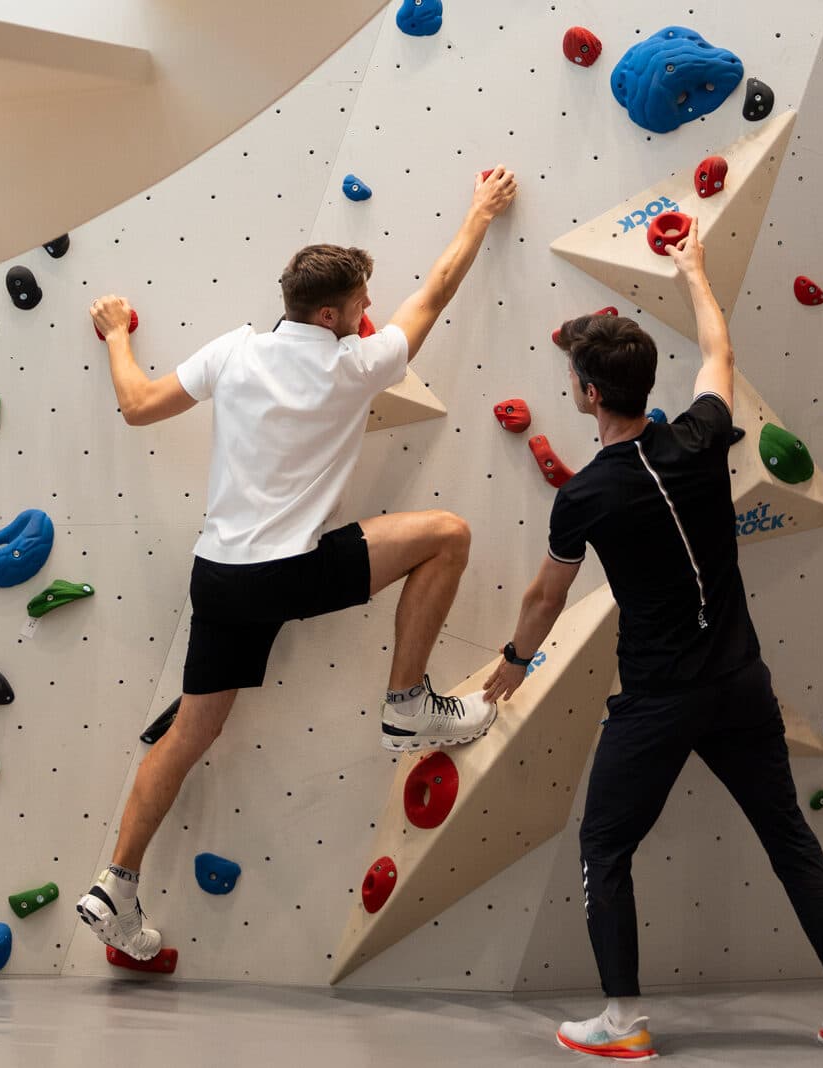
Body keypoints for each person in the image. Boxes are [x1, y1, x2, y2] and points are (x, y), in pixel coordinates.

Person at [74, 167, 520, 961]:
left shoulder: (233, 353)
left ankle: (116, 883)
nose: (369, 315)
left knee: (188, 732)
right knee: (447, 534)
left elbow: (138, 404)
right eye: (358, 307)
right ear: (330, 313)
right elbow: (438, 290)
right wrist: (480, 212)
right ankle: (407, 702)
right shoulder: (354, 365)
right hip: (288, 572)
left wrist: (115, 333)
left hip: (216, 575)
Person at [480, 219, 823, 1058]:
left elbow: (544, 593)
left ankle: (623, 1025)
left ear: (589, 394)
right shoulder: (702, 438)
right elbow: (718, 353)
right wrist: (694, 269)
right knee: (787, 837)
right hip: (739, 684)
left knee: (604, 844)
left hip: (659, 699)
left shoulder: (584, 496)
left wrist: (516, 663)